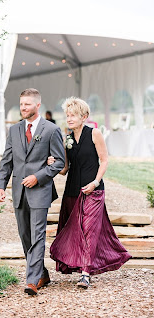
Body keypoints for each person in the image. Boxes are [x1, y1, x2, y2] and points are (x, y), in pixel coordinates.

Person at [47, 97, 130, 289]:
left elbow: (105, 160)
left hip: (93, 190)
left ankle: (85, 273)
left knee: (89, 231)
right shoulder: (66, 139)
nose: (69, 118)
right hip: (72, 191)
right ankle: (79, 265)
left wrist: (95, 182)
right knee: (76, 230)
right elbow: (65, 169)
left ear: (84, 116)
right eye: (67, 115)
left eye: (73, 115)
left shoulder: (95, 133)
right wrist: (53, 163)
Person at [0, 88, 65, 296]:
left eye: (27, 104)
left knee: (37, 235)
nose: (23, 108)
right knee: (25, 235)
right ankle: (42, 273)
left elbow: (59, 162)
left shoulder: (51, 130)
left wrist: (39, 176)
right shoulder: (14, 130)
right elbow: (7, 160)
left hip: (40, 191)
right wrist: (0, 185)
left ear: (37, 105)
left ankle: (32, 280)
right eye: (21, 104)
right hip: (18, 192)